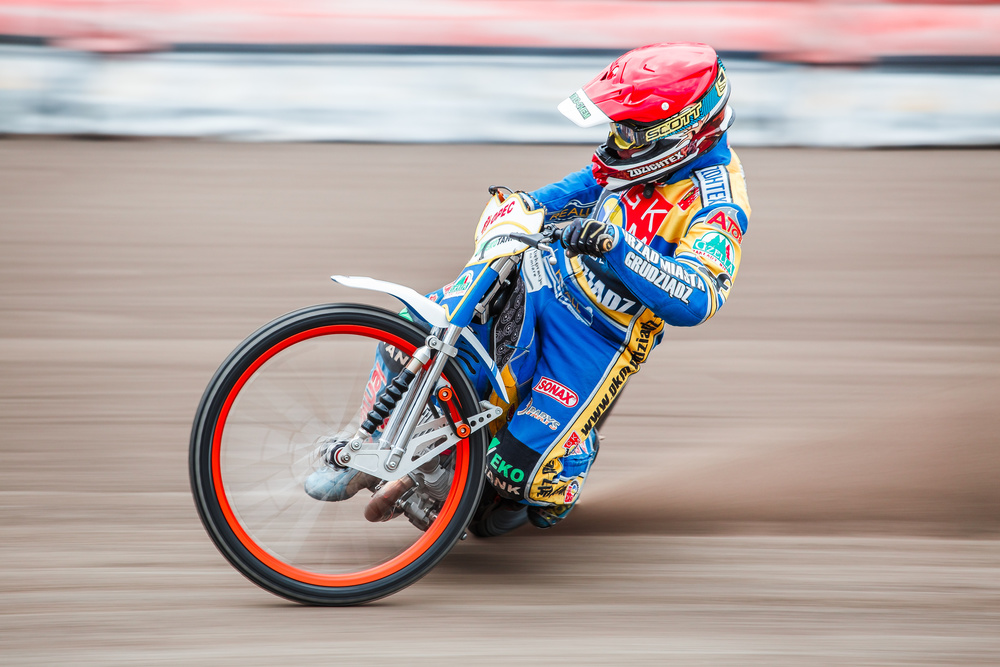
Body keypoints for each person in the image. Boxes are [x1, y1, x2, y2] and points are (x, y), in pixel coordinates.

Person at [306, 42, 750, 536]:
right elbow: (585, 183)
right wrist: (522, 205)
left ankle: (569, 460)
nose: (615, 141)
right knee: (411, 331)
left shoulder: (719, 204)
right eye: (615, 127)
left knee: (513, 478)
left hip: (598, 338)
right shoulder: (637, 160)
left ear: (680, 134)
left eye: (627, 131)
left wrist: (617, 246)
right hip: (542, 276)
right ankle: (366, 442)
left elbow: (700, 297)